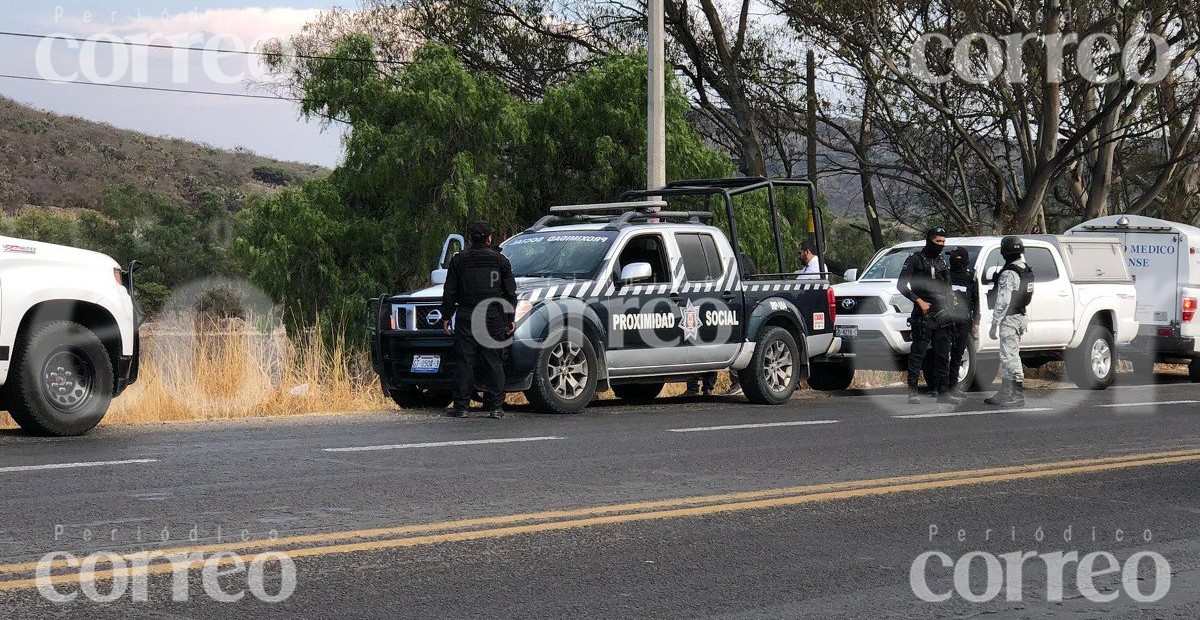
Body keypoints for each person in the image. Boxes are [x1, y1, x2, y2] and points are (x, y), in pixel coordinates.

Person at [440, 221, 517, 418]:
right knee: (494, 361)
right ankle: (496, 407)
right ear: (489, 238)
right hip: (492, 315)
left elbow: (449, 291)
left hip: (466, 315)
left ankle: (461, 407)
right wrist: (510, 318)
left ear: (471, 239)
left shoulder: (459, 260)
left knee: (465, 361)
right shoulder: (501, 260)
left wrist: (447, 315)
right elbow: (510, 293)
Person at [897, 227, 956, 404]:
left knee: (943, 354)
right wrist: (918, 301)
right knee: (918, 353)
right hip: (923, 312)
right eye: (938, 241)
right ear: (929, 240)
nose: (941, 245)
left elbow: (948, 285)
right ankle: (913, 391)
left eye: (944, 242)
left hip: (943, 313)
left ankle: (943, 392)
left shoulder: (942, 262)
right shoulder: (915, 260)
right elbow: (901, 285)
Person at [686, 250, 758, 397]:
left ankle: (703, 387)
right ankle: (704, 387)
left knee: (710, 345)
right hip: (719, 307)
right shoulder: (733, 258)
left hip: (720, 307)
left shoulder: (718, 260)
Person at [985, 236, 1034, 407]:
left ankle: (1017, 395)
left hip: (1010, 318)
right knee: (1008, 355)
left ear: (1004, 251)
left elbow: (1003, 301)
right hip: (1020, 316)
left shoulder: (1009, 273)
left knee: (1010, 356)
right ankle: (1006, 392)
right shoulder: (1025, 269)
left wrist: (994, 324)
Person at [946, 246, 980, 398]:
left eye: (954, 257)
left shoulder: (971, 277)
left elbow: (976, 300)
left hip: (964, 320)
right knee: (942, 354)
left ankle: (953, 386)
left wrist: (976, 321)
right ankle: (940, 387)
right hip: (946, 319)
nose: (952, 260)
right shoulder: (945, 276)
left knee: (958, 354)